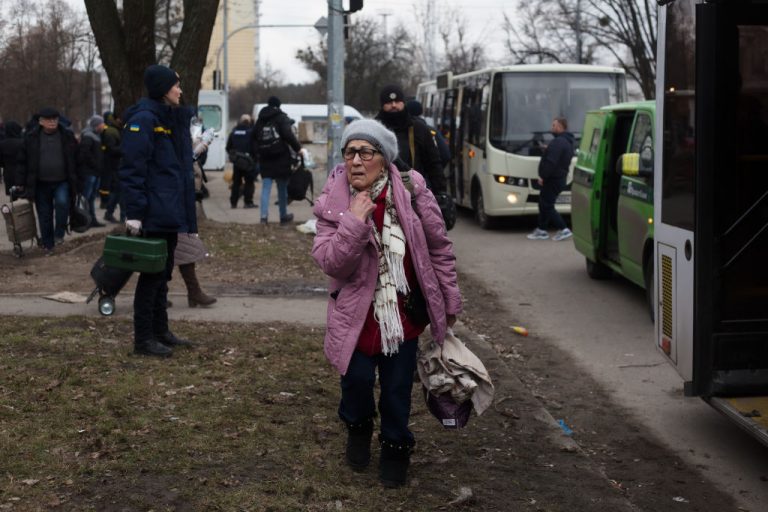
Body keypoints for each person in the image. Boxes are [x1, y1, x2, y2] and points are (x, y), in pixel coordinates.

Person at [311, 119, 463, 488]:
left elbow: (439, 250)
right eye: (350, 152)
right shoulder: (336, 201)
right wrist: (354, 222)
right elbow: (331, 261)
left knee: (397, 393)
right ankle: (358, 430)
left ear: (384, 158)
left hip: (403, 318)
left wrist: (450, 301)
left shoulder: (412, 192)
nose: (356, 161)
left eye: (366, 152)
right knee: (357, 386)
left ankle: (396, 447)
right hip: (356, 319)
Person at [119, 64, 197, 357]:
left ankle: (160, 331)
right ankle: (143, 340)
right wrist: (135, 213)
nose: (180, 90)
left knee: (162, 275)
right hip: (154, 212)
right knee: (151, 277)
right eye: (176, 85)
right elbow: (133, 169)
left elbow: (171, 168)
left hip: (167, 211)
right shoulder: (144, 120)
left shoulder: (167, 118)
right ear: (163, 89)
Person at [16, 107, 78, 253]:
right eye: (48, 120)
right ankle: (48, 245)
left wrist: (79, 179)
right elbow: (22, 161)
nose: (52, 122)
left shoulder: (67, 136)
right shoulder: (31, 137)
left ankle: (59, 234)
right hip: (40, 183)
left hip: (62, 181)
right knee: (45, 215)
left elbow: (77, 158)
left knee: (63, 204)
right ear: (41, 122)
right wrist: (20, 182)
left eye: (55, 119)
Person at [375, 85, 446, 195]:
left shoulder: (419, 128)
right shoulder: (374, 129)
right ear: (382, 105)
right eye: (389, 102)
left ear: (403, 103)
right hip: (381, 192)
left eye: (397, 101)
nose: (394, 105)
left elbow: (433, 163)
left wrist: (440, 192)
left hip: (413, 192)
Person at [252, 96, 302, 225]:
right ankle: (283, 216)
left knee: (266, 188)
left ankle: (263, 217)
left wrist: (257, 153)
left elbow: (253, 137)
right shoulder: (281, 117)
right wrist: (298, 149)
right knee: (282, 188)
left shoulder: (260, 119)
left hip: (265, 158)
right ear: (279, 106)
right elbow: (288, 134)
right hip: (281, 158)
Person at [527, 117, 575, 241]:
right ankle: (542, 230)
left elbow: (551, 162)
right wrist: (548, 149)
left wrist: (543, 176)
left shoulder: (558, 142)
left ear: (559, 127)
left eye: (553, 125)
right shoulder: (566, 141)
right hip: (559, 178)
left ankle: (564, 229)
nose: (551, 128)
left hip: (553, 179)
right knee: (544, 203)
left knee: (547, 205)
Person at [77, 115, 106, 227]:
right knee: (86, 197)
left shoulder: (96, 135)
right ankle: (84, 220)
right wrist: (95, 164)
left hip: (95, 172)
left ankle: (91, 220)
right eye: (101, 123)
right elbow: (85, 154)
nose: (103, 126)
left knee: (92, 197)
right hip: (89, 172)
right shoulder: (89, 136)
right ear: (96, 125)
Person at [405, 99, 451, 169]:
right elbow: (445, 155)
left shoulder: (400, 130)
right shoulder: (431, 131)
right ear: (420, 112)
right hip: (425, 177)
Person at [225, 113, 257, 209]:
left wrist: (234, 157)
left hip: (237, 162)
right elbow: (255, 148)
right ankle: (248, 202)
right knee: (249, 183)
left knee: (236, 183)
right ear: (249, 122)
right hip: (248, 162)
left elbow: (228, 147)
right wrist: (255, 159)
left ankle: (233, 203)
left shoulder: (233, 132)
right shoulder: (251, 132)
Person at [102, 111, 124, 222]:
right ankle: (117, 215)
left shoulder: (116, 129)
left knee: (118, 191)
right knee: (119, 191)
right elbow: (111, 149)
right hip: (115, 165)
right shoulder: (111, 131)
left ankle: (112, 213)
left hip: (117, 165)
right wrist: (125, 149)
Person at [0, 121, 23, 196]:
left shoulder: (2, 144)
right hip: (22, 172)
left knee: (12, 196)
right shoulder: (23, 143)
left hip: (8, 172)